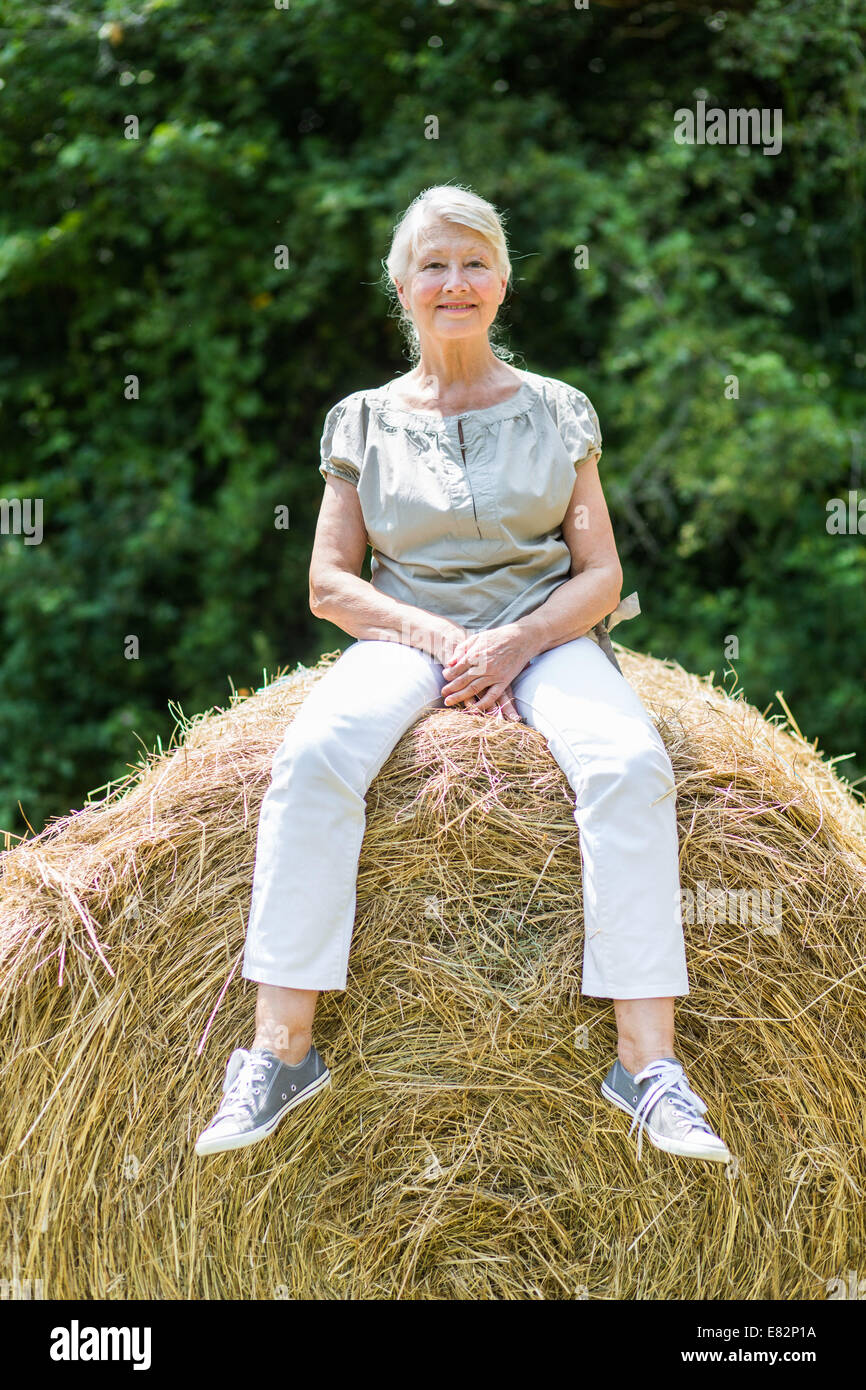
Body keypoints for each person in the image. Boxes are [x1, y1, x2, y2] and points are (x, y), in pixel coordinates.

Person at [195, 184, 730, 1165]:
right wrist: (446, 644)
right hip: (406, 633)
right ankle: (280, 1051)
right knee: (313, 757)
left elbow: (601, 572)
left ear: (502, 281)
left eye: (473, 262)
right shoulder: (359, 419)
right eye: (433, 265)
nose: (454, 281)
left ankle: (645, 1067)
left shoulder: (559, 410)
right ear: (400, 286)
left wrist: (516, 643)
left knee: (627, 765)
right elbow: (327, 583)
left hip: (545, 632)